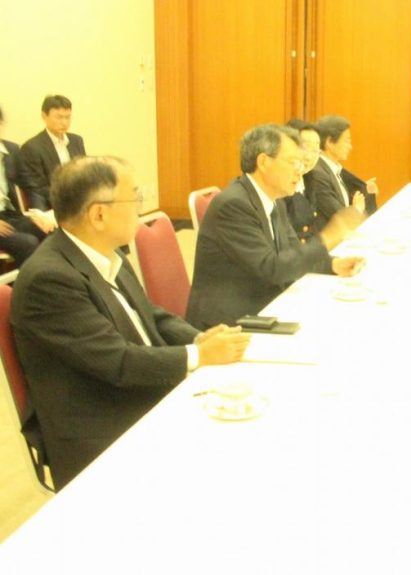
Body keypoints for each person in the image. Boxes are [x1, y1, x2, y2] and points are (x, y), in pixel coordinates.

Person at [11, 156, 251, 490]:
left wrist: (199, 339)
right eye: (134, 198)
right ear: (99, 214)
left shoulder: (104, 251)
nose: (140, 207)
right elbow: (117, 361)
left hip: (136, 389)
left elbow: (149, 314)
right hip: (101, 424)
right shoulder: (49, 279)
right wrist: (199, 356)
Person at [187, 124, 366, 330]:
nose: (300, 170)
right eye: (293, 162)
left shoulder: (274, 199)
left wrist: (332, 264)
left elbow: (291, 252)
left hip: (261, 303)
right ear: (263, 162)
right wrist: (329, 237)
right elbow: (272, 268)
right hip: (229, 323)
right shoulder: (234, 205)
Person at [306, 115, 378, 234]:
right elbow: (337, 215)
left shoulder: (334, 170)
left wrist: (366, 192)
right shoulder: (318, 174)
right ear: (329, 142)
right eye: (346, 141)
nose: (350, 147)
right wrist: (356, 210)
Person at [0, 106, 54, 265]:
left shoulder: (11, 150)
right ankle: (32, 280)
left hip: (9, 215)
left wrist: (40, 214)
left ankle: (56, 277)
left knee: (49, 230)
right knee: (28, 243)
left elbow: (30, 184)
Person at [20, 95, 86, 210]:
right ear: (44, 116)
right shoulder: (32, 147)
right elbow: (38, 188)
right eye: (59, 117)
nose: (64, 122)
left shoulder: (76, 141)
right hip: (52, 204)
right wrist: (67, 200)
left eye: (68, 117)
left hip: (79, 201)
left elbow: (84, 174)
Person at [283, 118, 321, 242]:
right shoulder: (279, 184)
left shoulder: (310, 179)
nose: (309, 157)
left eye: (315, 150)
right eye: (304, 148)